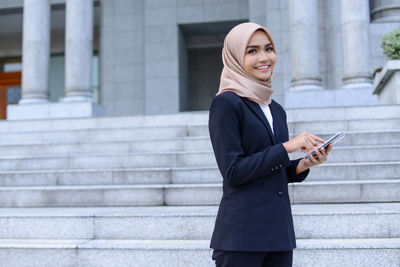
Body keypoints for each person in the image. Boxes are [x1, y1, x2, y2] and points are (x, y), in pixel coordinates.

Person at [208, 22, 332, 267]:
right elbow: (234, 172)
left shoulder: (276, 109)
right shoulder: (226, 104)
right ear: (234, 57)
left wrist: (304, 163)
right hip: (242, 238)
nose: (264, 58)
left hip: (279, 235)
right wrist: (287, 147)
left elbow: (273, 170)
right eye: (252, 51)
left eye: (268, 49)